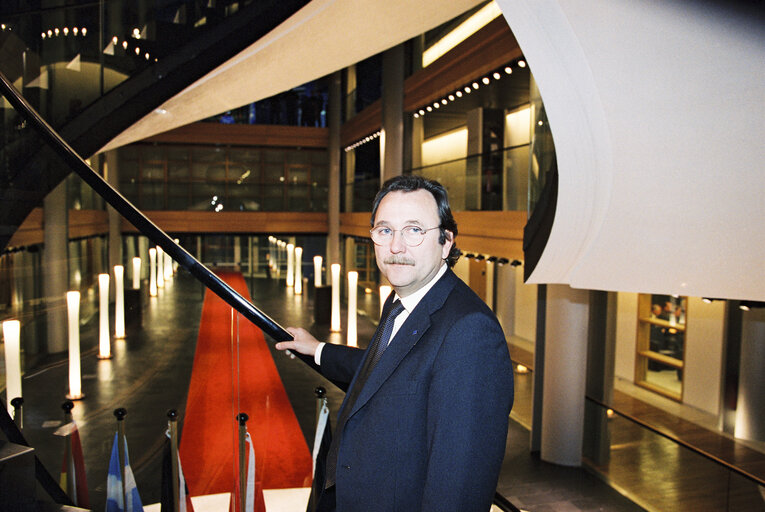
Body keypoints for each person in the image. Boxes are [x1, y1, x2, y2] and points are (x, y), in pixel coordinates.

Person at [276, 175, 514, 512]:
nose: (396, 247)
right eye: (385, 230)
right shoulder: (402, 299)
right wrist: (318, 350)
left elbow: (458, 490)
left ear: (446, 241)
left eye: (414, 230)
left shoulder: (471, 332)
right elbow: (391, 372)